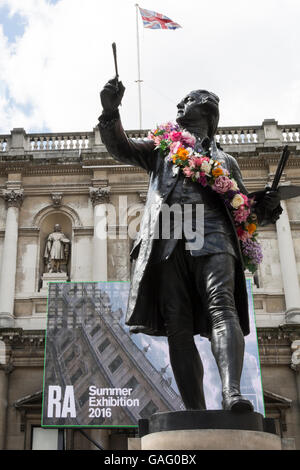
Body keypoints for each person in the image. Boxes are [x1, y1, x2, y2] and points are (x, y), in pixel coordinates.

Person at [98, 78, 281, 411]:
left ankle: (232, 394)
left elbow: (244, 209)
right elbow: (121, 148)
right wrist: (111, 112)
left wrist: (266, 207)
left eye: (187, 100)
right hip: (168, 241)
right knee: (177, 326)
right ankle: (194, 412)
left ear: (207, 108)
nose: (179, 105)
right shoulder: (163, 149)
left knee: (222, 306)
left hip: (214, 236)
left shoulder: (227, 162)